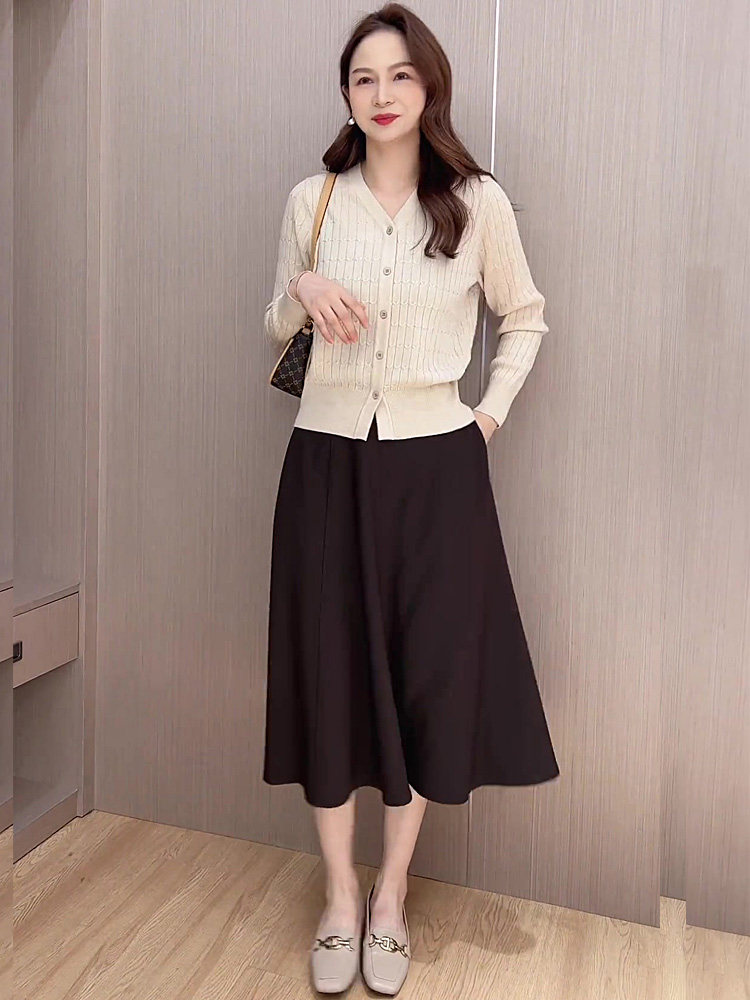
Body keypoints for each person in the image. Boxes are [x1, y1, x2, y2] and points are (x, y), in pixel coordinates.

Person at [262, 4, 560, 994]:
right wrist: (301, 291)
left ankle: (392, 894)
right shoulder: (313, 200)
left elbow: (525, 318)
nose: (382, 94)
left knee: (429, 676)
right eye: (363, 78)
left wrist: (485, 419)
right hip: (325, 464)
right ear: (346, 95)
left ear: (429, 85)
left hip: (441, 470)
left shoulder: (476, 203)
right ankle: (340, 897)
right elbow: (274, 327)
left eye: (399, 75)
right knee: (329, 673)